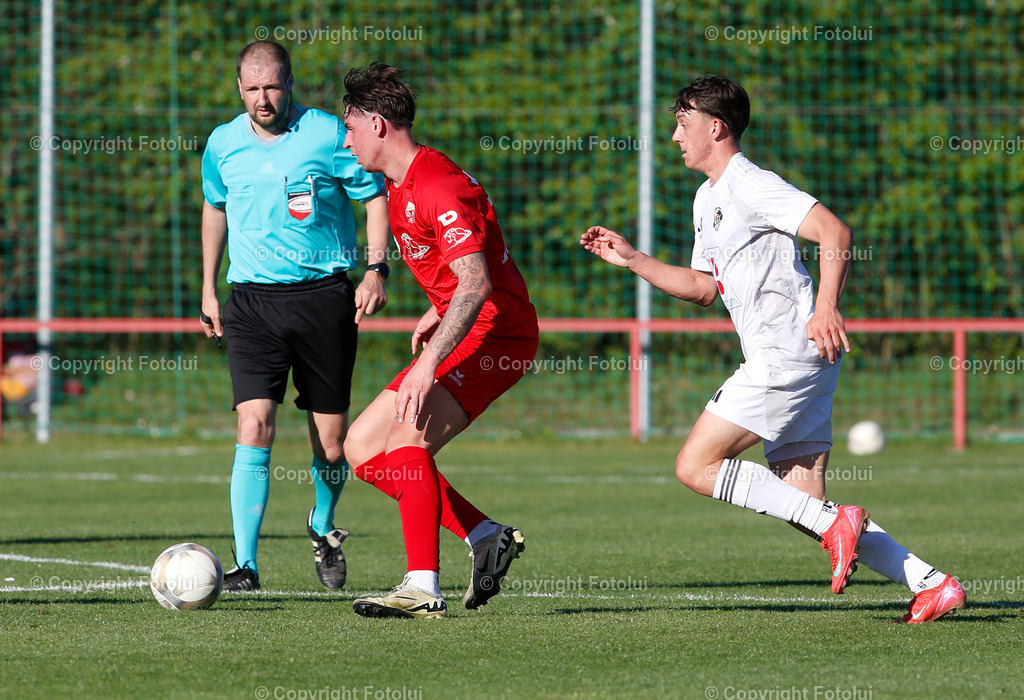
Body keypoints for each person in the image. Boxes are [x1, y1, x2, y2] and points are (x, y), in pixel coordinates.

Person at [580, 75, 965, 623]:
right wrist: (634, 259)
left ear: (715, 127)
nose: (674, 136)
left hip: (787, 352)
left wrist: (826, 306)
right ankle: (933, 584)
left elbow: (834, 232)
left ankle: (843, 526)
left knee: (695, 466)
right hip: (800, 359)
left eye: (682, 123)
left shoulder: (749, 184)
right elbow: (702, 288)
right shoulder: (706, 197)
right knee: (806, 507)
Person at [339, 63, 537, 619]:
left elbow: (476, 281)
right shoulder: (396, 185)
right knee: (360, 448)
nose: (347, 140)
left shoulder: (436, 185)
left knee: (406, 444)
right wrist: (436, 307)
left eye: (350, 128)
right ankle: (485, 535)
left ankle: (422, 586)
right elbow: (465, 271)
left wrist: (429, 361)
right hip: (467, 324)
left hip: (499, 334)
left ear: (377, 125)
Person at [200, 41, 391, 592]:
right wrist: (209, 290)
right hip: (252, 304)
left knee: (331, 445)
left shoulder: (329, 134)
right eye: (253, 88)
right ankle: (246, 566)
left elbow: (374, 195)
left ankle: (323, 527)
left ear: (291, 83)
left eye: (273, 87)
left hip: (323, 301)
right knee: (253, 424)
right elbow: (215, 208)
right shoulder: (222, 144)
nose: (264, 98)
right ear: (240, 89)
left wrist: (377, 268)